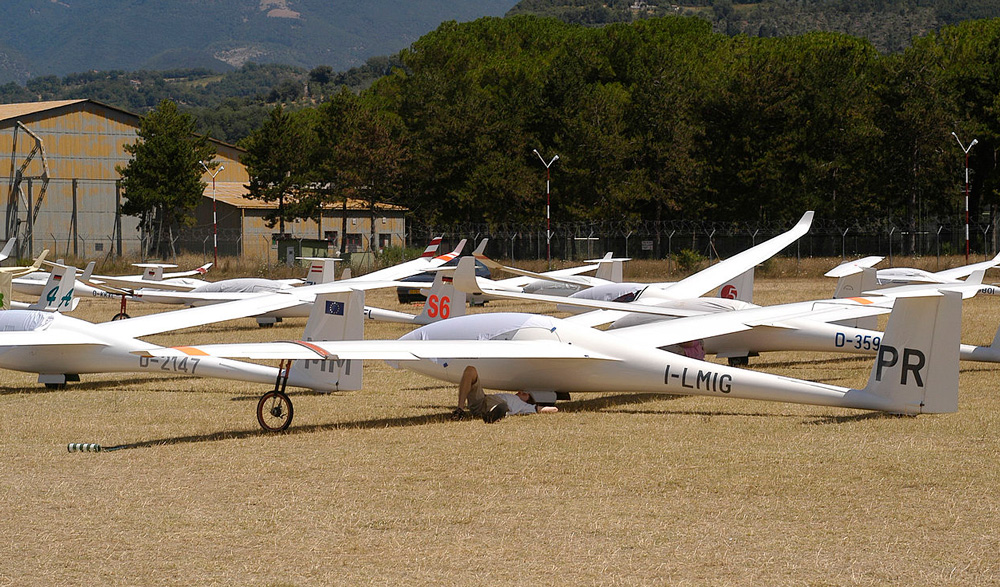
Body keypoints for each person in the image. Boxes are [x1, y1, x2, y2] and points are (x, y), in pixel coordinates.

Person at [452, 366, 558, 423]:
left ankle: (494, 413)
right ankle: (459, 410)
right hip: (482, 401)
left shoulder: (525, 406)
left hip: (495, 404)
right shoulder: (512, 397)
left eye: (525, 394)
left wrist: (555, 408)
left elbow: (543, 409)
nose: (520, 392)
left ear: (529, 400)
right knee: (470, 370)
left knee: (500, 404)